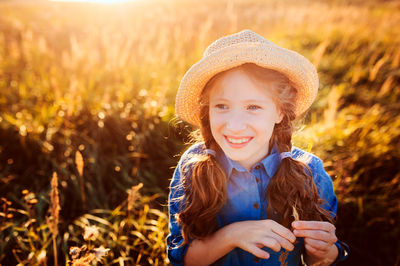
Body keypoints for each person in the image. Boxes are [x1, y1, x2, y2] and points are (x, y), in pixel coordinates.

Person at [167, 29, 349, 266]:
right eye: (222, 106)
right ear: (207, 109)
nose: (234, 125)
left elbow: (320, 258)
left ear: (280, 111)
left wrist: (323, 253)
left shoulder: (310, 172)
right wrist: (230, 236)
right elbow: (183, 259)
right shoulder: (193, 167)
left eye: (253, 107)